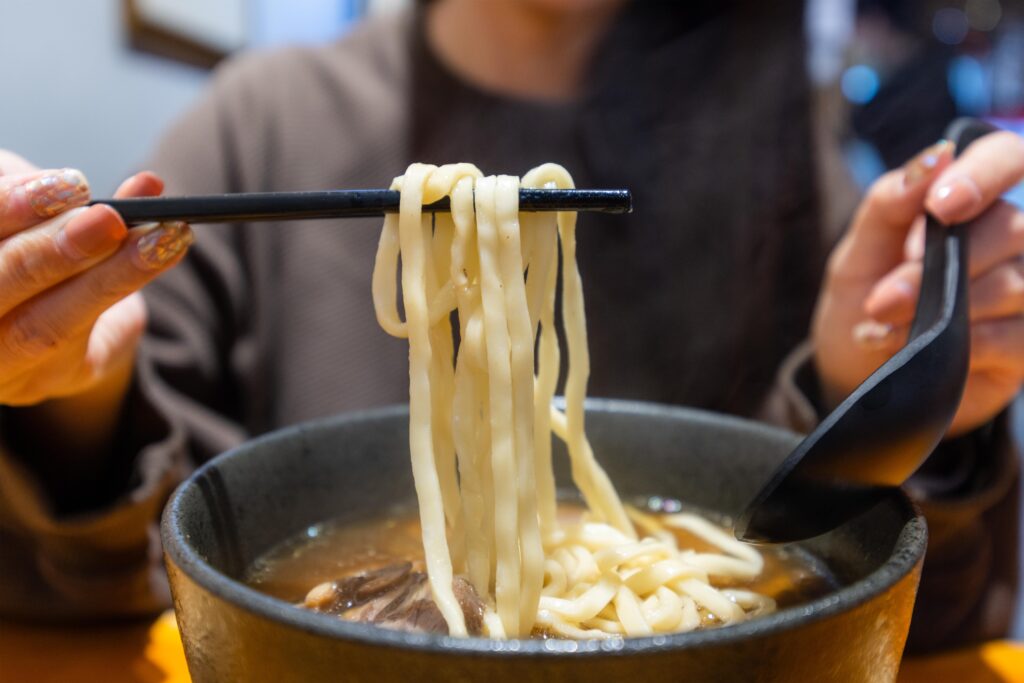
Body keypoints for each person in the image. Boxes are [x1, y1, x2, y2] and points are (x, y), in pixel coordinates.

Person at [0, 0, 1021, 652]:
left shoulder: (782, 141)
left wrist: (884, 383)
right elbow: (99, 580)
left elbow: (903, 617)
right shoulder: (259, 122)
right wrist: (68, 388)